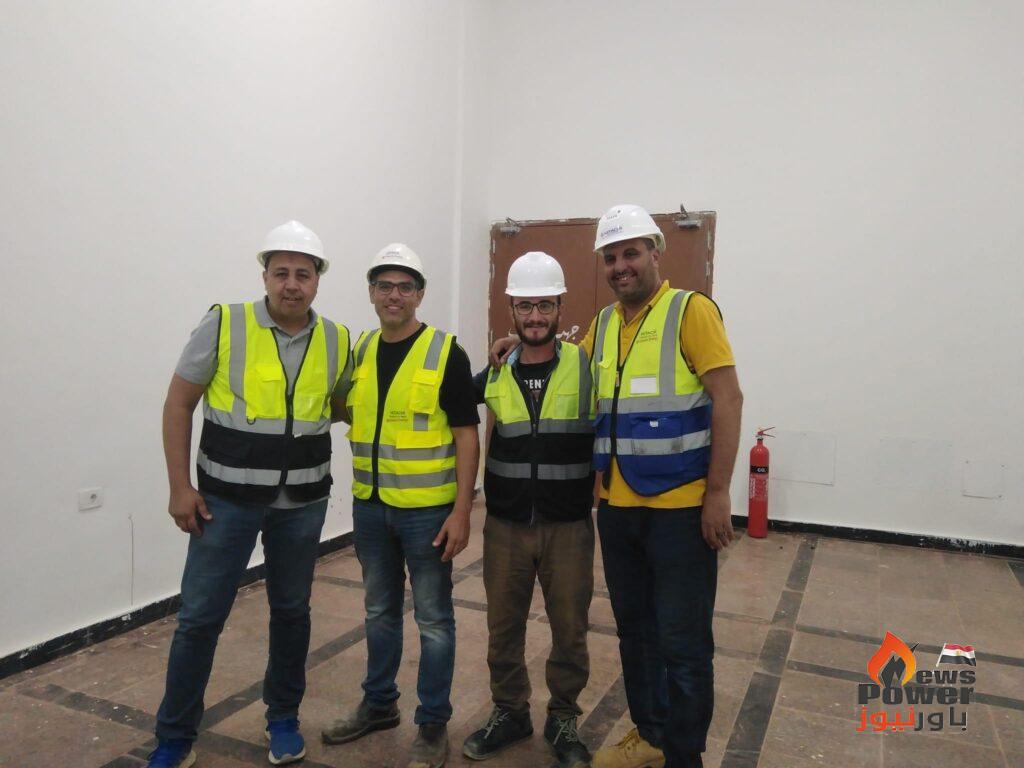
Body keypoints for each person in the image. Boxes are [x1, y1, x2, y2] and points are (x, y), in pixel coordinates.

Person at [491, 205, 743, 768]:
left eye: (631, 253)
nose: (621, 265)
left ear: (656, 252)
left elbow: (728, 397)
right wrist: (517, 341)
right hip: (619, 507)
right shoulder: (605, 324)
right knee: (636, 633)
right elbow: (563, 364)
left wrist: (718, 493)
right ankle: (651, 734)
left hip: (681, 509)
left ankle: (684, 755)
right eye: (611, 257)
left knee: (683, 642)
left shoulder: (690, 311)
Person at [148, 220, 352, 768]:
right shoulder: (225, 322)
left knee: (292, 613)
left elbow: (342, 406)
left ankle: (283, 719)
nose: (292, 284)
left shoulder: (337, 339)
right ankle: (174, 738)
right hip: (225, 503)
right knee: (199, 619)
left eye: (303, 274)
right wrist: (179, 488)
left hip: (301, 504)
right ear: (265, 276)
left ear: (318, 280)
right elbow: (178, 403)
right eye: (281, 272)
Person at [321, 244, 481, 768]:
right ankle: (379, 704)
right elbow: (346, 408)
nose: (395, 295)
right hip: (370, 508)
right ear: (371, 292)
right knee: (378, 611)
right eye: (385, 286)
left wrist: (462, 511)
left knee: (433, 620)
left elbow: (466, 434)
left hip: (428, 513)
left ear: (419, 294)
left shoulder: (445, 352)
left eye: (405, 286)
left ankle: (432, 723)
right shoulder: (363, 349)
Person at [461, 252, 594, 768]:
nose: (535, 316)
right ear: (511, 311)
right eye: (524, 307)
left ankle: (563, 718)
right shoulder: (495, 372)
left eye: (544, 305)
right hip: (506, 526)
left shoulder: (587, 366)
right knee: (503, 629)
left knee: (570, 630)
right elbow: (451, 401)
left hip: (568, 527)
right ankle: (511, 712)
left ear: (560, 308)